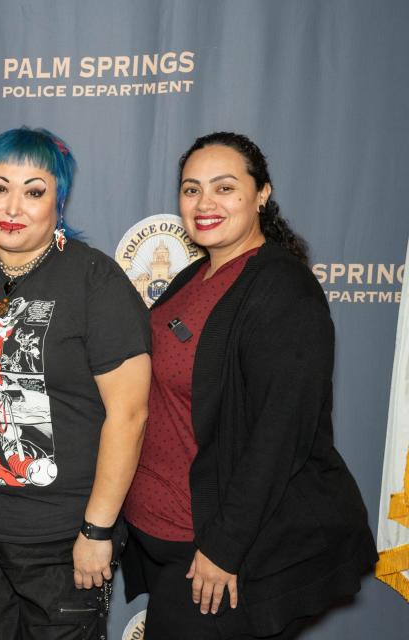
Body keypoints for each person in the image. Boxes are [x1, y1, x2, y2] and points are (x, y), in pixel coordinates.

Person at [122, 132, 377, 640]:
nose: (204, 203)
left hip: (220, 555)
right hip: (167, 541)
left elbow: (280, 434)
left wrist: (224, 547)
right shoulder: (193, 276)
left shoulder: (283, 290)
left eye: (224, 187)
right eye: (191, 189)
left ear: (262, 194)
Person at [0, 127, 151, 640]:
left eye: (34, 191)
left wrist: (97, 530)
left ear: (59, 202)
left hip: (60, 544)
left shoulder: (95, 282)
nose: (13, 206)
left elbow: (129, 415)